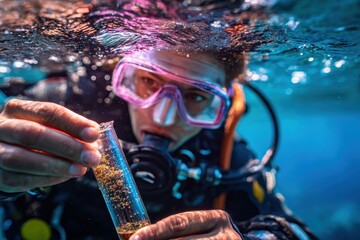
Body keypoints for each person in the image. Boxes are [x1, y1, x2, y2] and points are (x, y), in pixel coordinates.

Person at [0, 46, 317, 240]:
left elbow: (295, 230)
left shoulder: (224, 157)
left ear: (219, 106)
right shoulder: (60, 111)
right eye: (149, 82)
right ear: (123, 77)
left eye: (195, 96)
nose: (164, 118)